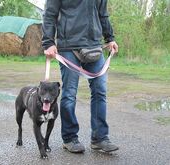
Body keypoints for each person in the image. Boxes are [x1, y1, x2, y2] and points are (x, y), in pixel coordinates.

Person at [42, 0, 119, 153]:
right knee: (69, 93)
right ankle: (69, 138)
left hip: (94, 45)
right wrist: (48, 42)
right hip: (68, 46)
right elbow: (50, 14)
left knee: (100, 91)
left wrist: (110, 38)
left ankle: (100, 138)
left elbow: (103, 14)